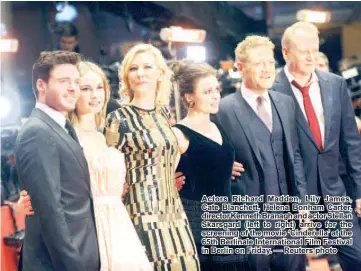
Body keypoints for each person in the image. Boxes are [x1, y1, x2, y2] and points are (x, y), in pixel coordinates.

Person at [20, 61, 151, 270]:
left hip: (119, 226)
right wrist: (28, 197)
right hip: (87, 230)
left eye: (99, 88)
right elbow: (48, 187)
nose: (95, 95)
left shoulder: (106, 136)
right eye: (86, 89)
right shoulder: (64, 138)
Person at [270, 21, 361, 270]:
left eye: (314, 49)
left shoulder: (335, 84)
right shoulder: (271, 90)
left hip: (335, 193)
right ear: (286, 52)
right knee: (291, 266)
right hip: (292, 199)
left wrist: (360, 191)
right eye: (303, 50)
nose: (311, 56)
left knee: (357, 257)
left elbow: (351, 144)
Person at [214, 36, 307, 271]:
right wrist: (221, 166)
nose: (266, 69)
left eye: (269, 62)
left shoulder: (285, 103)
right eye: (258, 63)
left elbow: (294, 156)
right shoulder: (222, 109)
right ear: (241, 67)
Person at [104, 44, 200, 270]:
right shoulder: (118, 118)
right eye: (134, 68)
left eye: (147, 67)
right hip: (139, 210)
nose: (140, 73)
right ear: (126, 75)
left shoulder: (164, 113)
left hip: (172, 208)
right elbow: (108, 168)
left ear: (160, 73)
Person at [14, 51, 100, 271]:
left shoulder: (61, 125)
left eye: (76, 82)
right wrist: (73, 265)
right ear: (41, 85)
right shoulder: (37, 132)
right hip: (60, 261)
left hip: (82, 250)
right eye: (64, 82)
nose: (73, 88)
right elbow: (50, 211)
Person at [170, 61, 246, 270]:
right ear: (189, 97)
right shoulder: (179, 134)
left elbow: (210, 161)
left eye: (216, 90)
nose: (215, 96)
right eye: (207, 91)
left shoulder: (216, 126)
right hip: (199, 225)